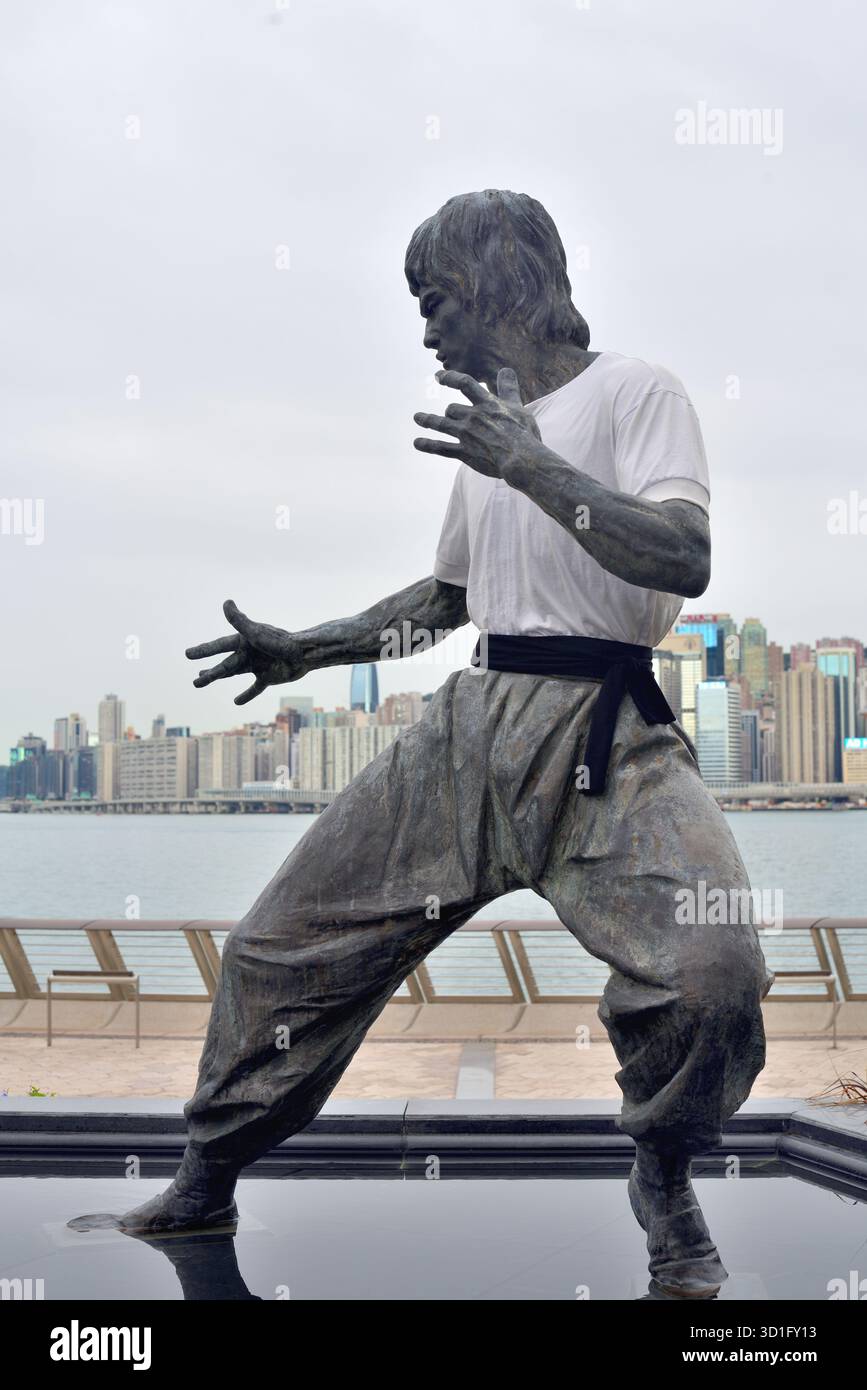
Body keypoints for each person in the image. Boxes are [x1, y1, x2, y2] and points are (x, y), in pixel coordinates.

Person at [120, 190, 771, 1299]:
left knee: (715, 976)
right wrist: (311, 649)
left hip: (605, 738)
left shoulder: (634, 391)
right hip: (469, 732)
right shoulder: (490, 433)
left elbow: (683, 555)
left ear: (500, 283)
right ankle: (205, 1172)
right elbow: (454, 600)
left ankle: (662, 1171)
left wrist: (533, 465)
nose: (426, 332)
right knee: (277, 948)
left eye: (435, 303)